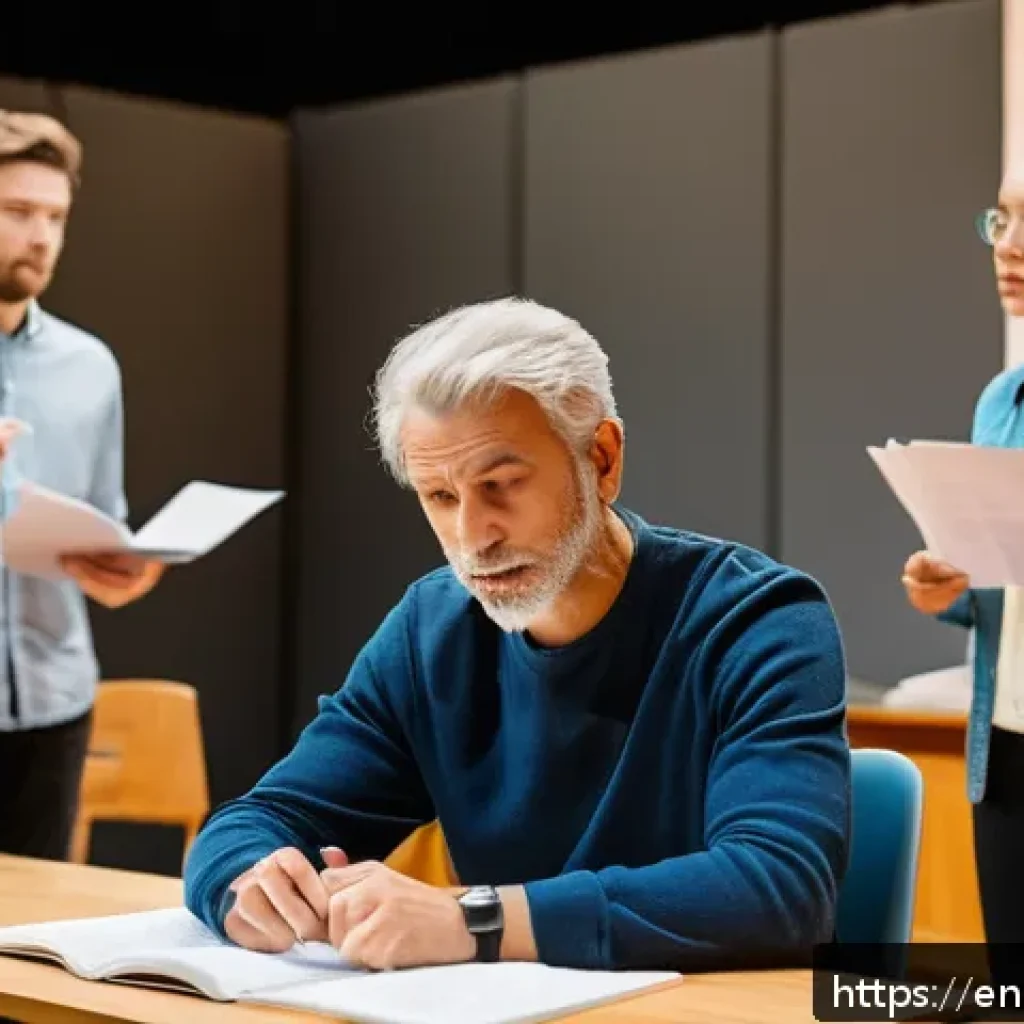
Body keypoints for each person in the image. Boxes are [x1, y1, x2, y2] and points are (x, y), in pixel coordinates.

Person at [184, 297, 851, 973]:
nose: (472, 536)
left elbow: (780, 889)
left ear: (603, 457)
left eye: (500, 484)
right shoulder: (429, 633)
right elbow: (254, 824)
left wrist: (473, 920)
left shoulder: (759, 620)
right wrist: (250, 883)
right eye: (440, 497)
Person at [0, 110, 166, 861]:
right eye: (17, 212)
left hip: (54, 701)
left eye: (56, 217)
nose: (41, 236)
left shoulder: (91, 366)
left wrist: (124, 571)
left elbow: (104, 523)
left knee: (27, 943)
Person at [902, 180, 1024, 965]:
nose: (1007, 245)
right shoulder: (1003, 401)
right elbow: (996, 586)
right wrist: (944, 587)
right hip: (1008, 747)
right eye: (1002, 219)